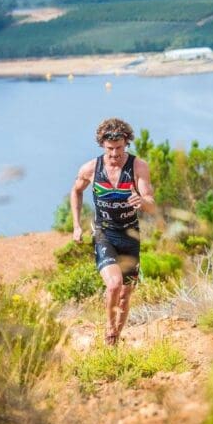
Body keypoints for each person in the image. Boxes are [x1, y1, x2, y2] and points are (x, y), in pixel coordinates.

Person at [70, 118, 156, 345]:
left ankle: (114, 340)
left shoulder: (138, 167)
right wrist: (77, 225)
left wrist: (142, 201)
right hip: (104, 233)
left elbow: (151, 203)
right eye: (110, 149)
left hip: (130, 236)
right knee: (114, 285)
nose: (115, 154)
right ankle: (109, 327)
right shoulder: (90, 168)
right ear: (102, 145)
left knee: (126, 295)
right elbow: (76, 191)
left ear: (126, 143)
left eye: (119, 148)